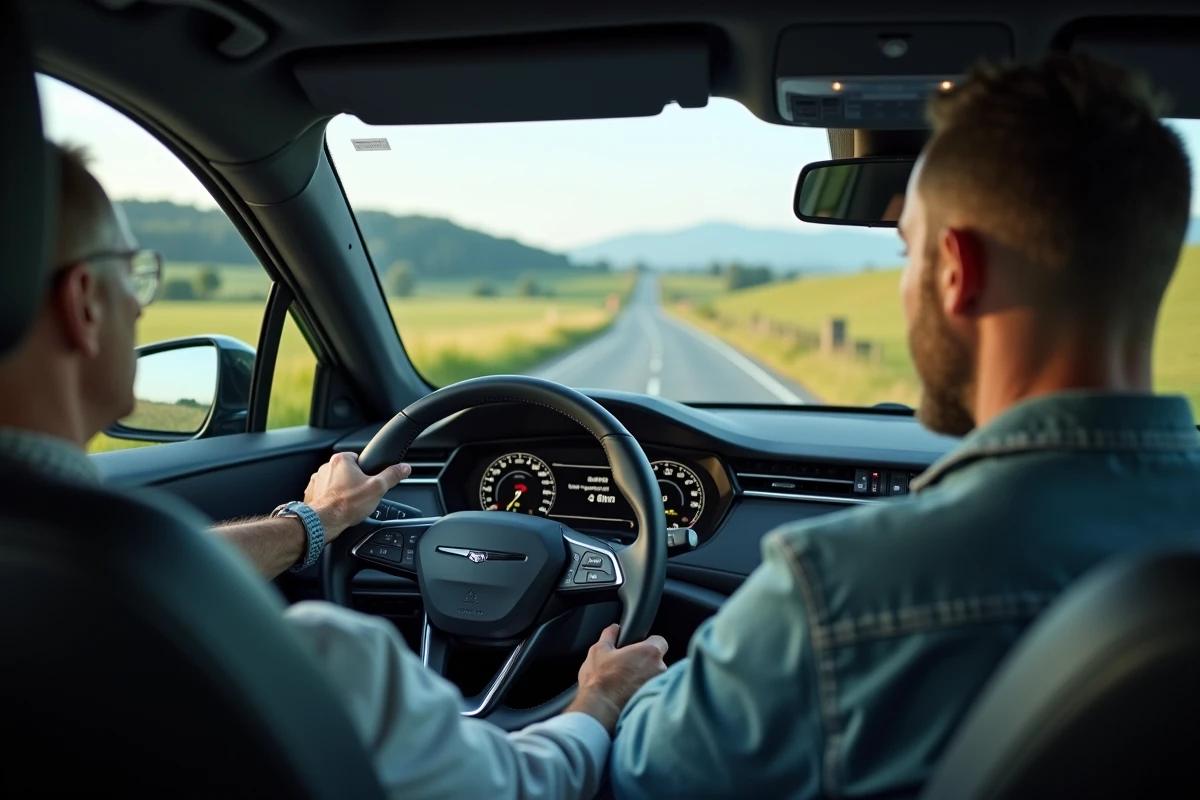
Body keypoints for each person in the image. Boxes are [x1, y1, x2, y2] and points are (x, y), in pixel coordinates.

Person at [0, 141, 668, 799]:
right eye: (133, 271)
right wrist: (600, 699)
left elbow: (178, 566)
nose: (143, 304)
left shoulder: (100, 584)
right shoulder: (329, 661)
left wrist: (319, 520)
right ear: (85, 301)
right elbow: (525, 788)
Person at [610, 53, 1200, 798]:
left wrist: (611, 694)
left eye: (906, 250)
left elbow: (646, 777)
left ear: (955, 271)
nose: (903, 283)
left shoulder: (835, 593)